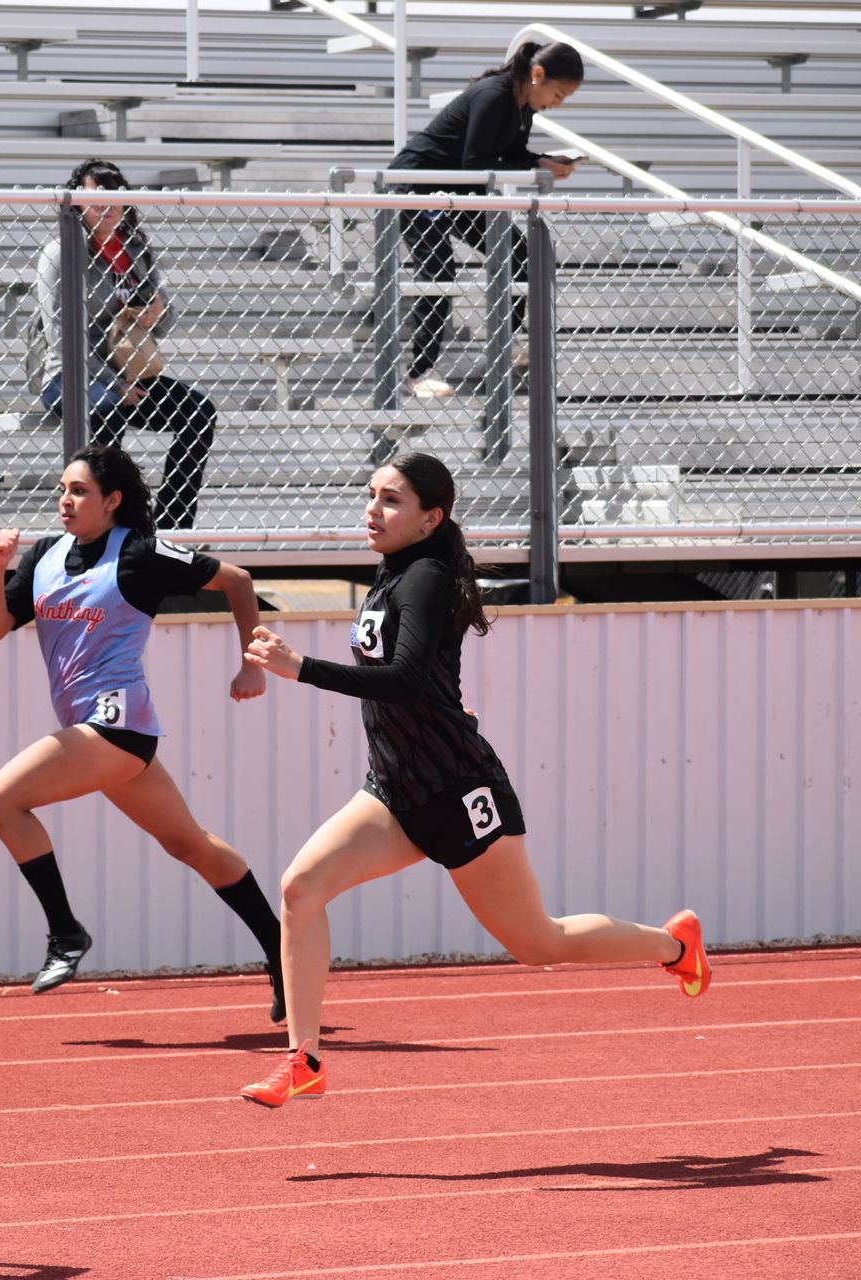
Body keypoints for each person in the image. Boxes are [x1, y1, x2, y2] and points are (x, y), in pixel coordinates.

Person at [236, 452, 710, 1108]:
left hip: (459, 793)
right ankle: (306, 1058)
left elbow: (404, 681)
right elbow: (426, 681)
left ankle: (672, 943)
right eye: (371, 495)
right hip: (396, 790)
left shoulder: (423, 576)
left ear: (432, 517)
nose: (373, 510)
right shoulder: (393, 571)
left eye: (392, 500)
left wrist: (300, 668)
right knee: (300, 887)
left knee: (538, 943)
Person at [0, 444, 286, 1018]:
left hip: (116, 725)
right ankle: (284, 953)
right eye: (62, 490)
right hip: (96, 733)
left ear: (113, 501)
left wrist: (252, 662)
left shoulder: (141, 553)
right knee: (188, 844)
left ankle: (65, 933)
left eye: (79, 492)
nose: (65, 501)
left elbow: (239, 581)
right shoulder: (46, 555)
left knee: (0, 802)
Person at [388, 40, 584, 399]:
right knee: (438, 271)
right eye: (559, 93)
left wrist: (543, 160)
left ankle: (501, 346)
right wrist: (534, 164)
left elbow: (507, 155)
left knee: (521, 255)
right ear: (537, 75)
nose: (559, 103)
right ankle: (417, 374)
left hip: (459, 190)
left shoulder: (524, 107)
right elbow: (476, 160)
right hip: (420, 185)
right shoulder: (494, 95)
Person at [34, 158, 220, 528]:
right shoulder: (61, 252)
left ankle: (170, 526)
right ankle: (111, 527)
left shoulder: (133, 249)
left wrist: (157, 313)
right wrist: (110, 383)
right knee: (109, 411)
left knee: (200, 413)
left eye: (115, 198)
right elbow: (61, 337)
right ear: (76, 204)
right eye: (95, 199)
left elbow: (164, 318)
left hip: (129, 372)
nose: (106, 207)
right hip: (72, 375)